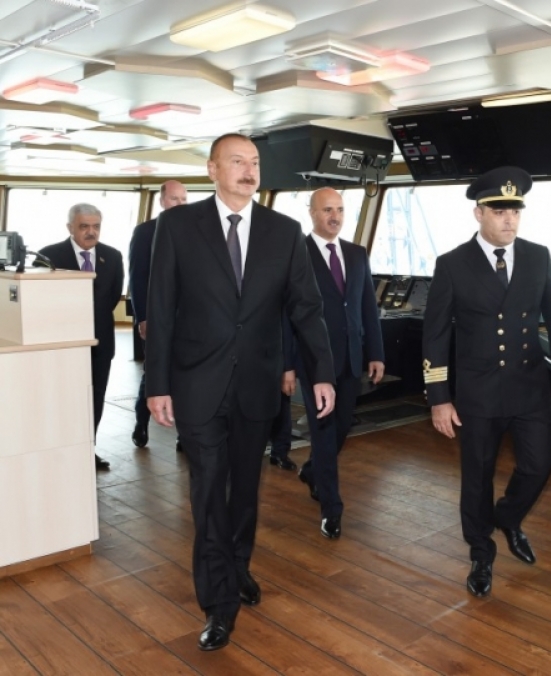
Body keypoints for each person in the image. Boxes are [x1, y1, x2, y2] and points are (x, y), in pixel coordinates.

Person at [144, 133, 337, 652]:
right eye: (237, 161)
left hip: (257, 383)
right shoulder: (177, 226)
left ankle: (237, 566)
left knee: (246, 490)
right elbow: (160, 308)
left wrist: (321, 372)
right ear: (213, 170)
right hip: (196, 383)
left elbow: (306, 308)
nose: (249, 171)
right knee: (209, 492)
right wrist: (157, 385)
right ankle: (218, 603)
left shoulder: (283, 231)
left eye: (254, 162)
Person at [422, 166, 551, 598]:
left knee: (539, 465)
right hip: (477, 392)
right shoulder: (452, 264)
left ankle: (507, 517)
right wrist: (439, 397)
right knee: (477, 477)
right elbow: (435, 335)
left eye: (515, 211)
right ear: (479, 214)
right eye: (499, 211)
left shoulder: (538, 256)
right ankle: (481, 552)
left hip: (530, 386)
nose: (509, 219)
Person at [292, 187, 385, 538]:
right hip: (314, 360)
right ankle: (331, 508)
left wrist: (376, 353)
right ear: (312, 213)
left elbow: (366, 307)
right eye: (327, 209)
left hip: (351, 357)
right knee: (324, 431)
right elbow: (287, 313)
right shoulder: (297, 254)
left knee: (343, 424)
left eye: (340, 209)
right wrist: (287, 365)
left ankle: (312, 470)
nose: (335, 216)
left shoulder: (357, 254)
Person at [38, 204, 124, 471]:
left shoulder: (112, 256)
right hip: (62, 343)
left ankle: (88, 449)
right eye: (84, 226)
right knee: (62, 398)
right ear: (70, 228)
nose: (91, 232)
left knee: (94, 398)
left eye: (96, 226)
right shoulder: (48, 256)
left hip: (101, 342)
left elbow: (111, 297)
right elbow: (42, 301)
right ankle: (59, 451)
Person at [128, 180, 187, 452]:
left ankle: (184, 433)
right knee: (154, 370)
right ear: (162, 201)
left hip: (188, 318)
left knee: (187, 374)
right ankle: (141, 422)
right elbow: (137, 276)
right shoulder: (145, 232)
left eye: (183, 199)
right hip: (156, 316)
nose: (180, 204)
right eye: (174, 199)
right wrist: (143, 317)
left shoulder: (195, 231)